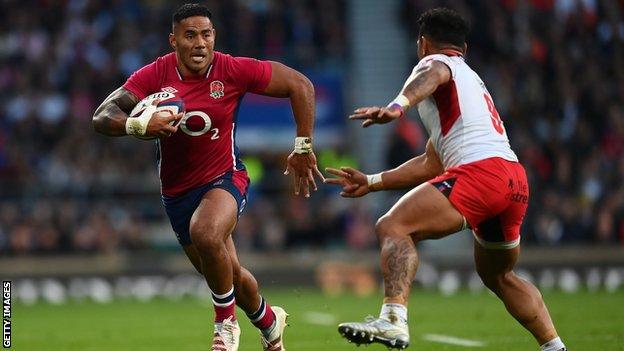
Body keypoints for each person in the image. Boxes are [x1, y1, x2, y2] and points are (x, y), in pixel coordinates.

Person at [324, 8, 566, 351]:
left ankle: (393, 319)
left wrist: (397, 106)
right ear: (464, 47)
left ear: (423, 44)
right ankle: (555, 347)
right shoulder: (471, 80)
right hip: (513, 181)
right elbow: (431, 162)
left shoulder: (436, 63)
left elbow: (432, 72)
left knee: (392, 226)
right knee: (499, 276)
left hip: (480, 174)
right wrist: (373, 181)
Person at [93, 4, 324, 351]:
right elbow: (102, 116)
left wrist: (304, 146)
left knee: (206, 232)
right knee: (227, 275)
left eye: (206, 34)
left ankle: (225, 326)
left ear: (214, 37)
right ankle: (270, 323)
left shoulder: (231, 69)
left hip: (225, 177)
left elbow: (300, 85)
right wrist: (137, 124)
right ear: (174, 41)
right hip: (177, 195)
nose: (200, 43)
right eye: (190, 35)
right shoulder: (154, 75)